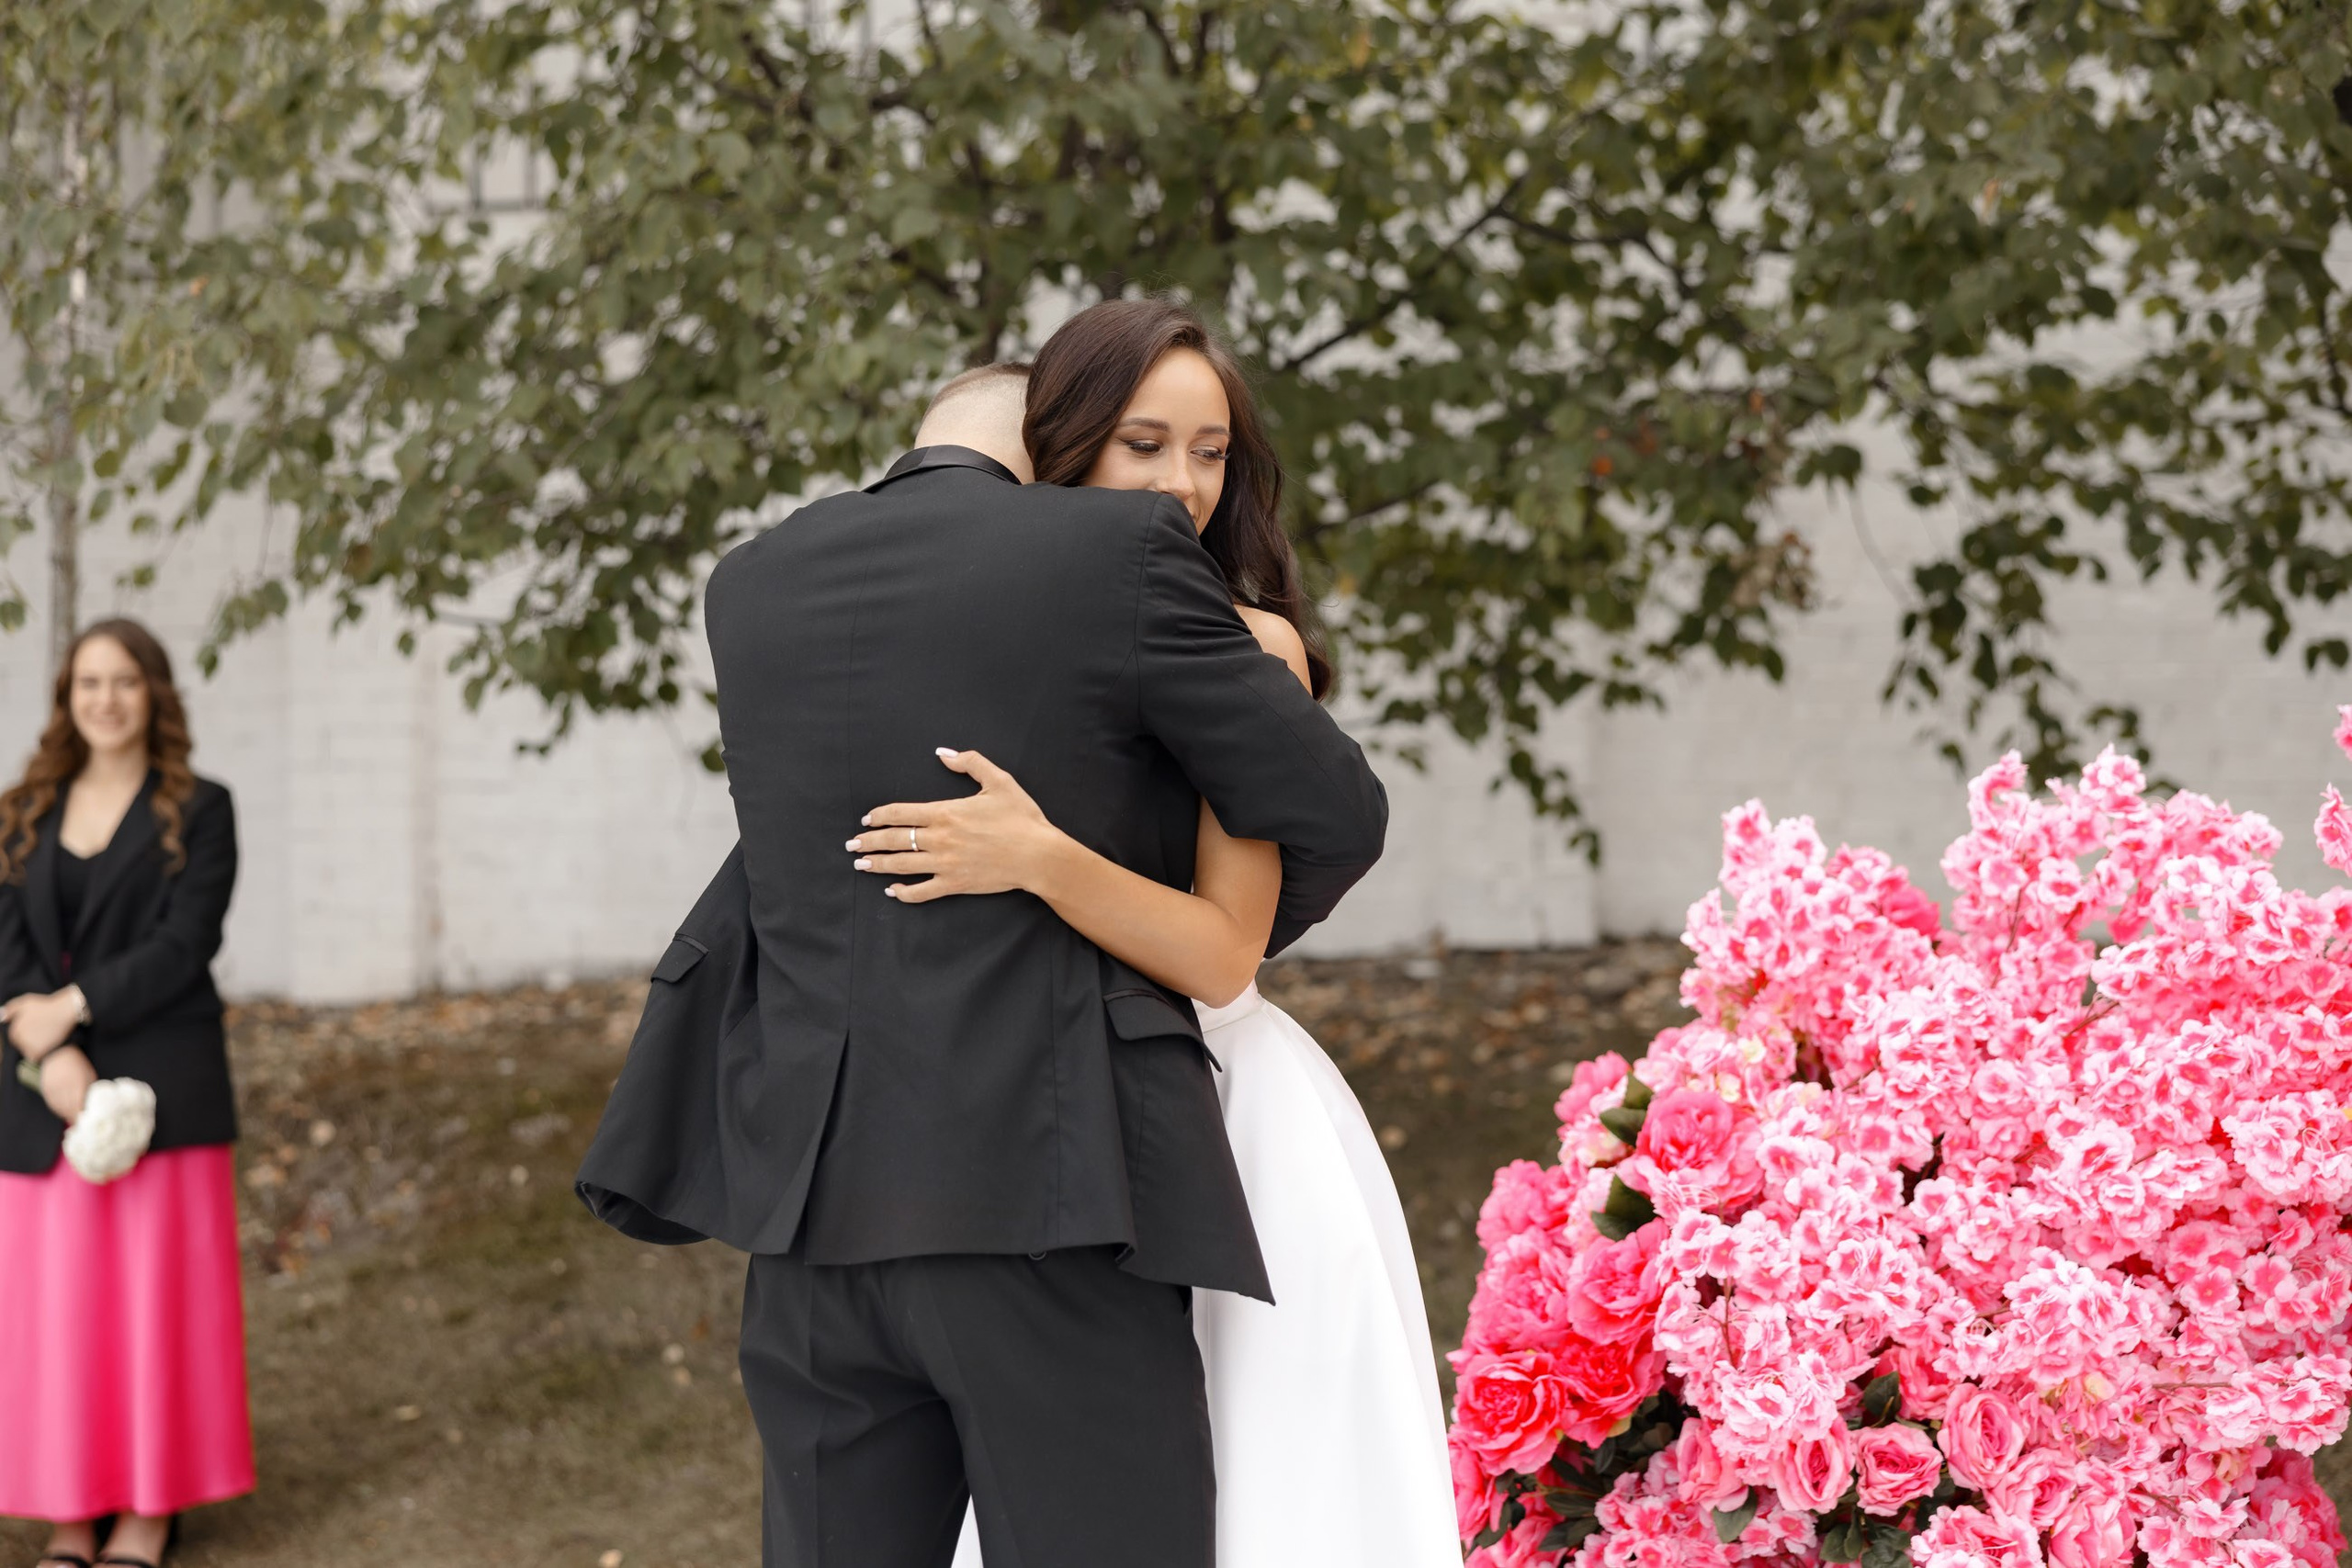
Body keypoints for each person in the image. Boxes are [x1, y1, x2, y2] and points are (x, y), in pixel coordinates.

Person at [855, 299, 1459, 1568]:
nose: (1183, 483)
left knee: (1259, 1501)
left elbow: (1223, 950)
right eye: (1143, 444)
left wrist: (1040, 858)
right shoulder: (988, 628)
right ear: (1062, 448)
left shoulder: (1247, 646)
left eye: (1210, 448)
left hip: (1216, 1111)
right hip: (1011, 1125)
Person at [0, 619, 251, 1568]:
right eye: (87, 682)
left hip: (165, 1086)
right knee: (59, 1313)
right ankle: (70, 1513)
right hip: (37, 1093)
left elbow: (188, 944)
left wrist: (71, 1007)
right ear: (67, 698)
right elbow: (4, 944)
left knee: (154, 1310)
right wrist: (45, 1051)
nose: (105, 698)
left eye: (124, 681)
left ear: (155, 693)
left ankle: (149, 1512)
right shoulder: (19, 810)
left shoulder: (204, 809)